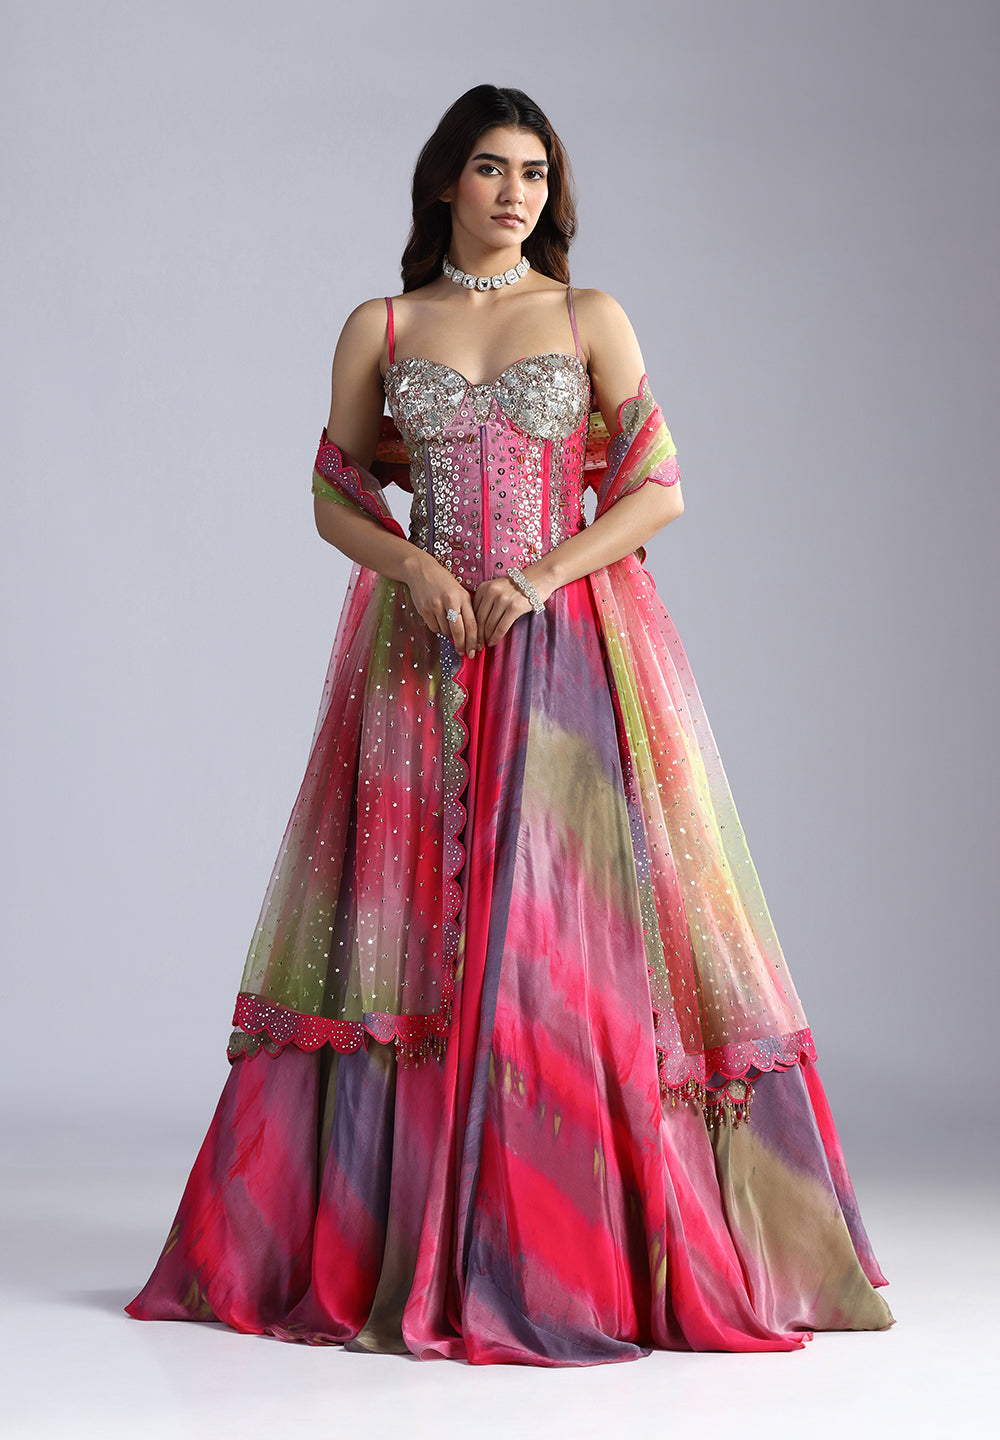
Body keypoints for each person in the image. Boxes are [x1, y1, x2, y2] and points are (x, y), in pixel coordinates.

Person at [125, 84, 894, 1366]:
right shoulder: (383, 325)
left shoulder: (590, 316)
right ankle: (410, 1230)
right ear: (445, 181)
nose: (515, 194)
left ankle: (570, 1242)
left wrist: (537, 576)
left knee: (560, 937)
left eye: (535, 173)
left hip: (567, 649)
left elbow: (657, 489)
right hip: (422, 659)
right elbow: (334, 492)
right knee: (417, 932)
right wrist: (414, 567)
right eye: (491, 168)